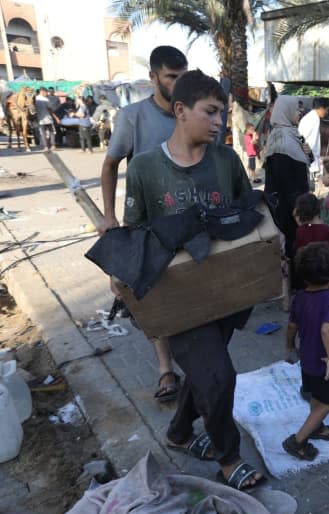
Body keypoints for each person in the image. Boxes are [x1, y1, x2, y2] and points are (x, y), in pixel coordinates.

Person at [122, 69, 265, 491]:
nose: (220, 121)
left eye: (222, 112)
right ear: (181, 111)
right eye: (211, 111)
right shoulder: (146, 168)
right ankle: (228, 456)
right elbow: (133, 232)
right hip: (177, 297)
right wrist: (122, 275)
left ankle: (180, 434)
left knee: (205, 370)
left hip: (228, 291)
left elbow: (250, 215)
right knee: (219, 376)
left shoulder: (226, 161)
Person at [99, 45, 188, 404]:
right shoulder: (132, 116)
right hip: (148, 223)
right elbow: (110, 164)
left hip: (189, 220)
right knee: (151, 296)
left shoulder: (192, 112)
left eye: (183, 76)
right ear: (153, 77)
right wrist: (109, 216)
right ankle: (166, 368)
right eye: (171, 77)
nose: (179, 83)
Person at [283, 243, 329, 461]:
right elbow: (327, 329)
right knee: (328, 402)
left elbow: (291, 327)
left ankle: (317, 427)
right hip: (322, 363)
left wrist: (290, 347)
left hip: (306, 360)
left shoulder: (298, 297)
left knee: (316, 396)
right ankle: (298, 441)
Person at [264, 95, 312, 258]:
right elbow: (286, 180)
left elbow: (300, 163)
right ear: (286, 110)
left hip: (294, 205)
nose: (300, 112)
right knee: (293, 246)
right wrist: (301, 209)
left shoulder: (290, 134)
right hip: (289, 210)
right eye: (297, 109)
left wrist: (308, 154)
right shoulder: (282, 141)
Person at [297, 97, 329, 187]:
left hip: (311, 158)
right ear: (321, 108)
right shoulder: (310, 119)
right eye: (327, 110)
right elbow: (301, 137)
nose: (327, 113)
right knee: (309, 186)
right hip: (308, 158)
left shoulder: (315, 118)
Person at [34, 87, 58, 152]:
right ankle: (53, 145)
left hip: (40, 119)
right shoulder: (46, 99)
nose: (47, 93)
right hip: (48, 119)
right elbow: (50, 109)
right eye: (46, 92)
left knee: (43, 133)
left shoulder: (35, 99)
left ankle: (46, 147)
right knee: (52, 132)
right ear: (42, 92)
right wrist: (56, 117)